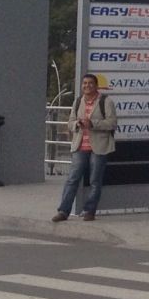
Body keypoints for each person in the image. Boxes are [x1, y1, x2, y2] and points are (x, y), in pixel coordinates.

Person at [53, 73, 115, 222]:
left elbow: (112, 123)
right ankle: (63, 211)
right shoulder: (78, 101)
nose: (87, 86)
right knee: (72, 179)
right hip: (80, 145)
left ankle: (89, 211)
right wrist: (77, 124)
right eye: (84, 83)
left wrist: (93, 124)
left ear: (96, 85)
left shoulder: (105, 101)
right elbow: (70, 122)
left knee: (95, 180)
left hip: (99, 147)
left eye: (90, 83)